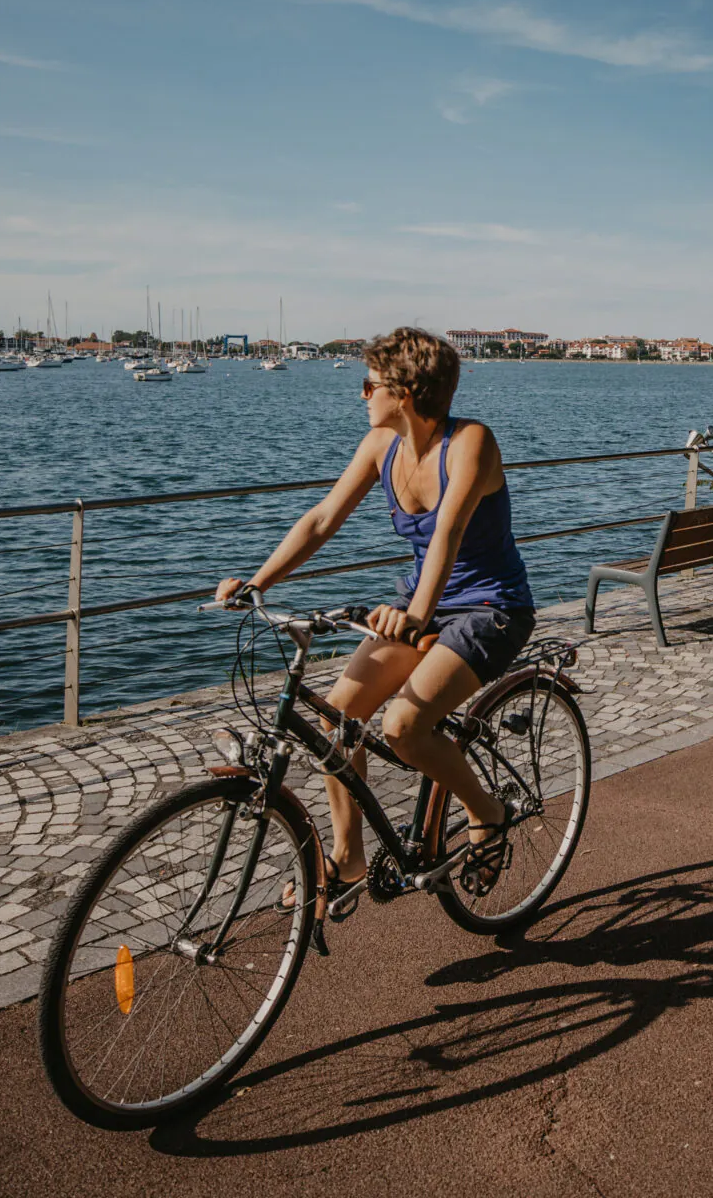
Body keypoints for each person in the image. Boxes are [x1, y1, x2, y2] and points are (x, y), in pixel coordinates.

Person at [214, 326, 532, 912]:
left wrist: (413, 615)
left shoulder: (471, 443)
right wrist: (258, 580)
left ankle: (486, 813)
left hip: (493, 609)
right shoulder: (381, 446)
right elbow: (321, 520)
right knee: (339, 717)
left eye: (370, 384)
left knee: (403, 727)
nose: (362, 394)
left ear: (405, 392)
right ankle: (348, 853)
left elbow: (448, 535)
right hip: (424, 606)